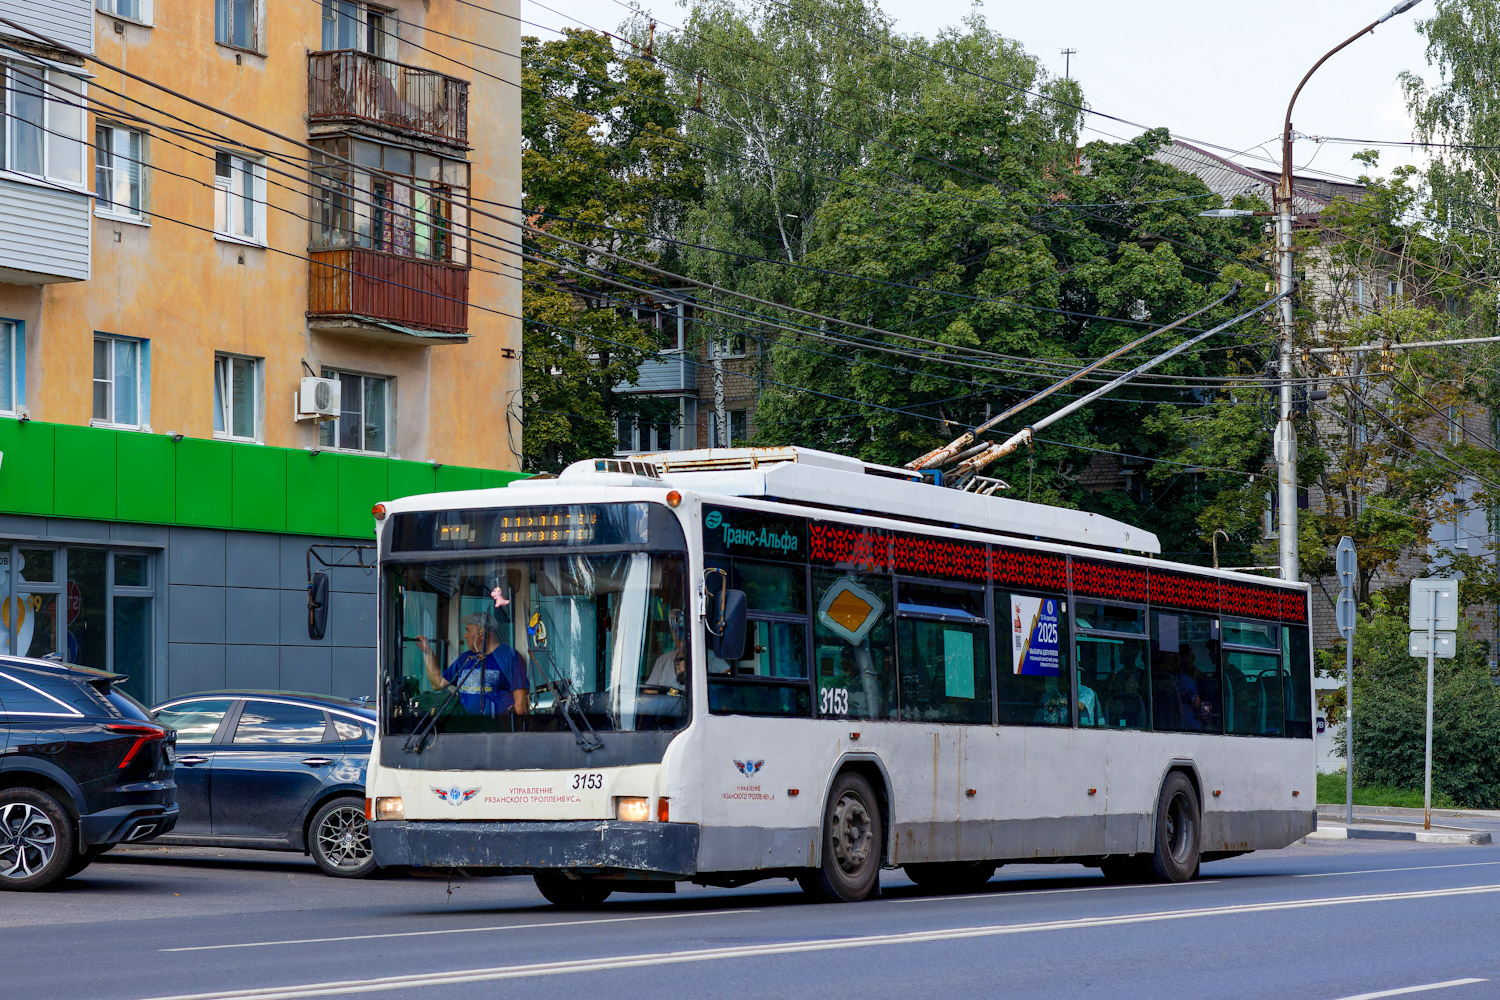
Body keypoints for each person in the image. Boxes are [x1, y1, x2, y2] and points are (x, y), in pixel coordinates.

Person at [417, 611, 529, 716]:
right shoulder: (466, 658)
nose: (465, 635)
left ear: (481, 633)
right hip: (468, 729)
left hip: (497, 731)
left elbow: (521, 703)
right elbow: (438, 683)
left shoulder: (509, 657)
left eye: (468, 630)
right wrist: (428, 653)